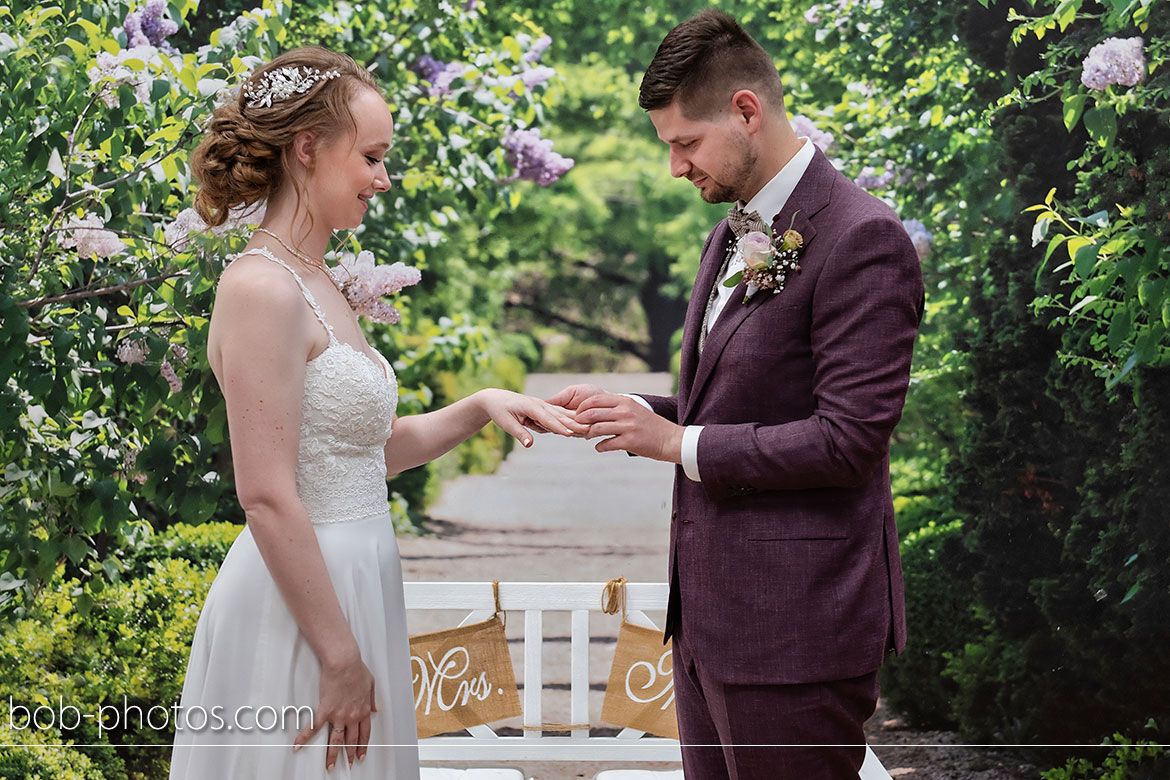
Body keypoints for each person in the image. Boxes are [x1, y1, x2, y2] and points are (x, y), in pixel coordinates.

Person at [169, 46, 583, 779]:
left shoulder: (318, 280)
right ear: (306, 150)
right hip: (302, 607)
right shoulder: (261, 288)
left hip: (358, 582)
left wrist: (485, 405)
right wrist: (338, 656)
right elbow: (265, 494)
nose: (383, 178)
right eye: (371, 156)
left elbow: (369, 452)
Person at [549, 10, 925, 779]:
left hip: (798, 633)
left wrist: (675, 444)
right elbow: (733, 408)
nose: (677, 167)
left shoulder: (862, 237)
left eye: (686, 143)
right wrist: (637, 414)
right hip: (709, 629)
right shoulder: (729, 233)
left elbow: (848, 440)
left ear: (746, 111)